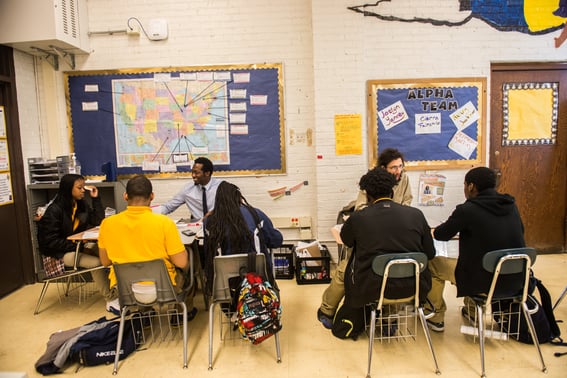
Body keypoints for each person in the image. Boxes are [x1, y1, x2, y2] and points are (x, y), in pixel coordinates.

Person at [317, 147, 413, 329]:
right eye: (394, 168)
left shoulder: (404, 181)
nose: (398, 171)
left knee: (346, 268)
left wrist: (396, 215)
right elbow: (360, 207)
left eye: (401, 167)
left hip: (387, 242)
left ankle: (387, 318)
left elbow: (407, 201)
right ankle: (327, 309)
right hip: (380, 234)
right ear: (383, 169)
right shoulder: (371, 184)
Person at [424, 167, 525, 332]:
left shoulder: (467, 209)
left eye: (464, 185)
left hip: (482, 279)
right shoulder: (511, 206)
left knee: (433, 264)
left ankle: (435, 316)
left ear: (471, 186)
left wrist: (431, 231)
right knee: (476, 261)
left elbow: (442, 234)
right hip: (514, 277)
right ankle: (472, 312)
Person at [97, 175, 198, 321]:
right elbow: (181, 263)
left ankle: (144, 313)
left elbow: (105, 262)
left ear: (125, 196)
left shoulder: (107, 224)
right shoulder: (164, 223)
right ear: (152, 196)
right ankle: (181, 314)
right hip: (164, 289)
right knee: (189, 269)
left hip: (125, 290)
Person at [340, 167, 435, 312]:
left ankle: (327, 312)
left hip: (372, 288)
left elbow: (347, 241)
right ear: (392, 192)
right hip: (415, 286)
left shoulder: (358, 218)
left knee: (346, 268)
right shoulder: (416, 215)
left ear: (368, 196)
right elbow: (430, 252)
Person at [37, 173, 112, 310]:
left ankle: (119, 290)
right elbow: (50, 242)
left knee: (108, 252)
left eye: (84, 187)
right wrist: (79, 247)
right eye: (80, 187)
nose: (83, 190)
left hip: (76, 246)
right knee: (97, 262)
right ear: (68, 189)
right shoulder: (54, 210)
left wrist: (96, 199)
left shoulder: (80, 205)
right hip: (57, 254)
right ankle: (111, 298)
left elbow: (98, 221)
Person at [204, 181, 283, 294]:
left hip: (225, 287)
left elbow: (208, 250)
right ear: (239, 197)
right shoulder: (255, 214)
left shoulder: (210, 221)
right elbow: (276, 241)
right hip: (258, 282)